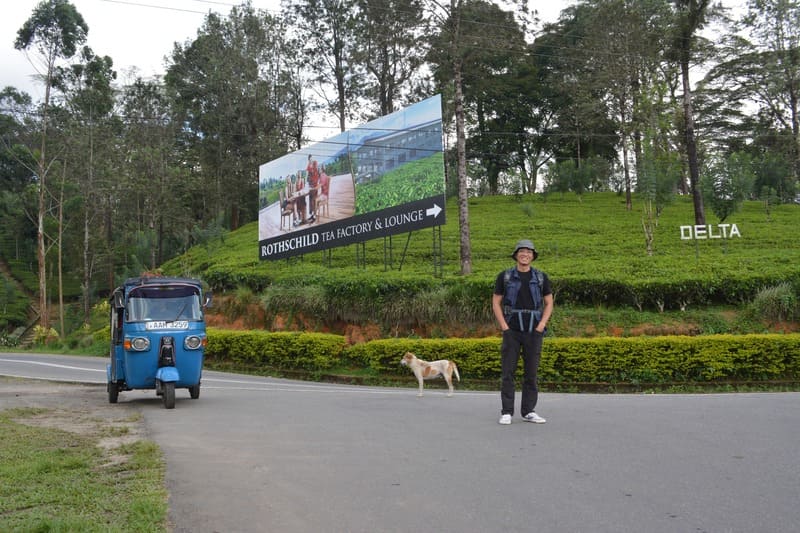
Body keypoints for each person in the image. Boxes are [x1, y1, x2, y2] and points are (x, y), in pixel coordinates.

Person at [492, 239, 554, 425]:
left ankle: (528, 411)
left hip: (533, 331)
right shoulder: (505, 276)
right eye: (521, 251)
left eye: (528, 251)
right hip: (512, 330)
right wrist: (504, 327)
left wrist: (541, 325)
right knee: (508, 372)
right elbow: (496, 302)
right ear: (516, 255)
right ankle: (507, 412)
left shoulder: (541, 278)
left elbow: (549, 303)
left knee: (531, 373)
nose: (525, 254)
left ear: (533, 256)